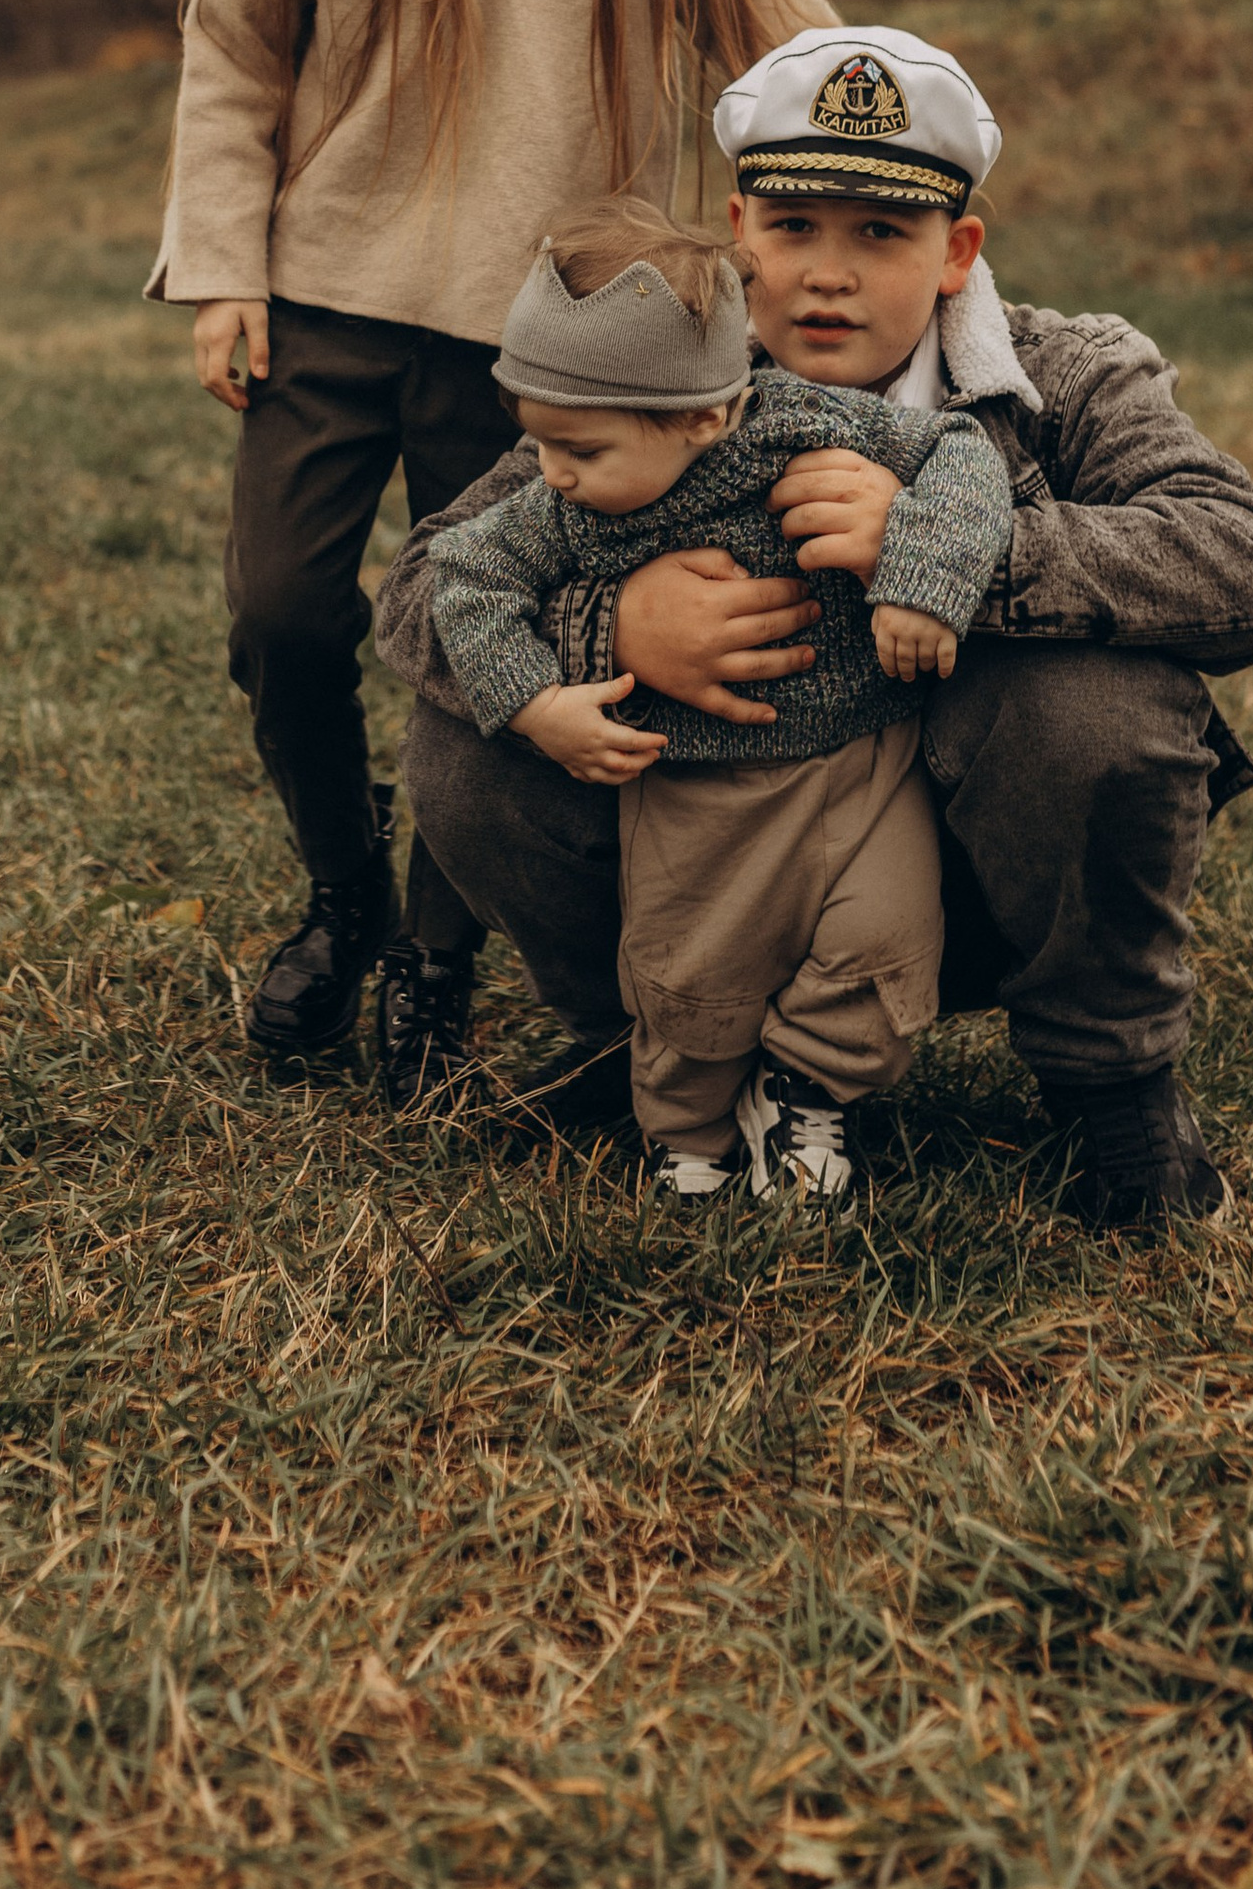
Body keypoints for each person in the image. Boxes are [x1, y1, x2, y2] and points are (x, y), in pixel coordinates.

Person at [373, 26, 1253, 1230]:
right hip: (701, 858)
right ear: (737, 233)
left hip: (971, 873)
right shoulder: (648, 367)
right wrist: (614, 630)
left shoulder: (1065, 374)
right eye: (794, 227)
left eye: (880, 234)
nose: (826, 275)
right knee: (468, 739)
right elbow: (421, 587)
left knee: (1088, 711)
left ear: (956, 252)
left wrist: (954, 556)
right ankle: (643, 1040)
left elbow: (1246, 564)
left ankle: (1108, 1079)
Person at [147, 0, 834, 1066]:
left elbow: (798, 59)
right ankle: (344, 896)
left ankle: (435, 956)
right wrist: (225, 267)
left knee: (483, 637)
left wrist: (882, 182)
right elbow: (234, 56)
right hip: (325, 301)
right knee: (282, 617)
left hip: (552, 347)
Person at [427, 201, 1012, 1199]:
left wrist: (923, 576)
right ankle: (687, 1134)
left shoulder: (804, 421)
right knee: (689, 975)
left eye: (581, 451)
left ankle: (807, 1091)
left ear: (704, 416)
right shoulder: (563, 509)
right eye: (539, 441)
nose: (552, 473)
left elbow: (960, 452)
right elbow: (462, 574)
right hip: (693, 790)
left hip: (865, 768)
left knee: (883, 939)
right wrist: (534, 703)